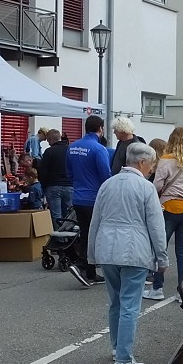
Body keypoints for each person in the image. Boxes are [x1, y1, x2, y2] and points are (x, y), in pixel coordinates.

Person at [88, 142, 169, 364]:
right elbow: (156, 226)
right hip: (135, 251)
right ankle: (124, 359)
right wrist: (162, 257)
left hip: (107, 249)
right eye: (151, 164)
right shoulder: (145, 188)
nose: (152, 169)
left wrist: (92, 253)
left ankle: (117, 348)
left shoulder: (107, 184)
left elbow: (96, 220)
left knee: (115, 302)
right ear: (142, 163)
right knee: (130, 306)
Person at [145, 126, 183, 300]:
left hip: (169, 207)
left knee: (160, 249)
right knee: (182, 252)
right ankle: (182, 292)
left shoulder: (166, 160)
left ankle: (157, 288)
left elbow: (157, 186)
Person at [67, 115, 110, 287]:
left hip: (78, 197)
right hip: (94, 198)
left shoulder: (72, 147)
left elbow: (69, 173)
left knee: (85, 233)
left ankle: (90, 272)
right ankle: (83, 266)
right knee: (95, 235)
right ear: (100, 129)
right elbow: (105, 176)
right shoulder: (99, 149)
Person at [37, 129, 72, 225]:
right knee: (71, 214)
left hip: (53, 186)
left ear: (52, 139)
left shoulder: (49, 152)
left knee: (56, 216)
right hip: (69, 185)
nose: (48, 143)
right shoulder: (70, 150)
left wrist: (43, 186)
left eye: (48, 141)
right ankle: (71, 235)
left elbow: (43, 171)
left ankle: (60, 238)